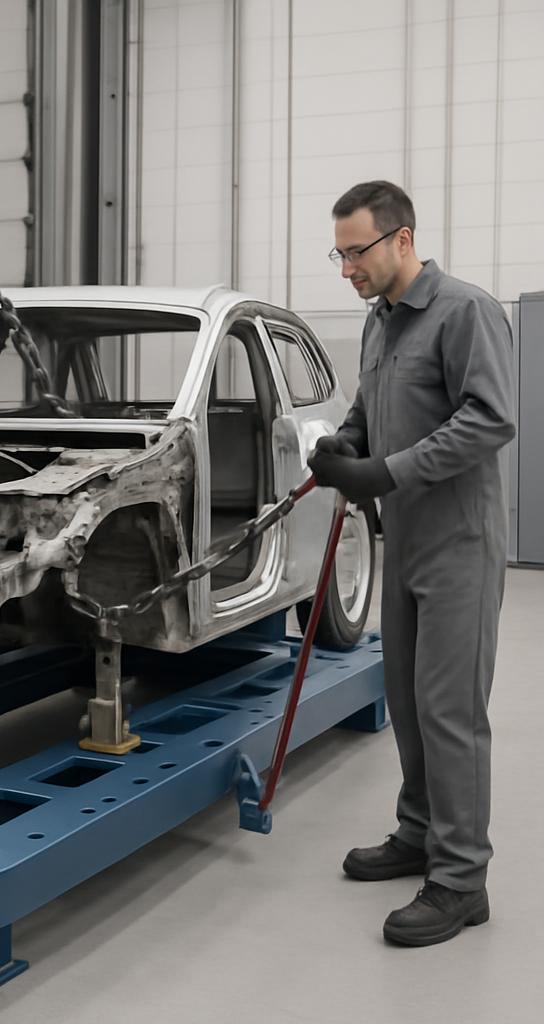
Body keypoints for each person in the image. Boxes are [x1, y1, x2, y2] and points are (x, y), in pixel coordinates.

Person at [308, 180, 516, 947]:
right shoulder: (380, 322)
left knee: (450, 712)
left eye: (355, 252)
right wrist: (347, 443)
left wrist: (384, 472)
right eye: (338, 254)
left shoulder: (465, 311)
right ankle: (420, 831)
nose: (346, 269)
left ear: (402, 239)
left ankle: (461, 880)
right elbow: (371, 408)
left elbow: (490, 419)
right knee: (405, 696)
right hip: (402, 542)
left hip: (459, 544)